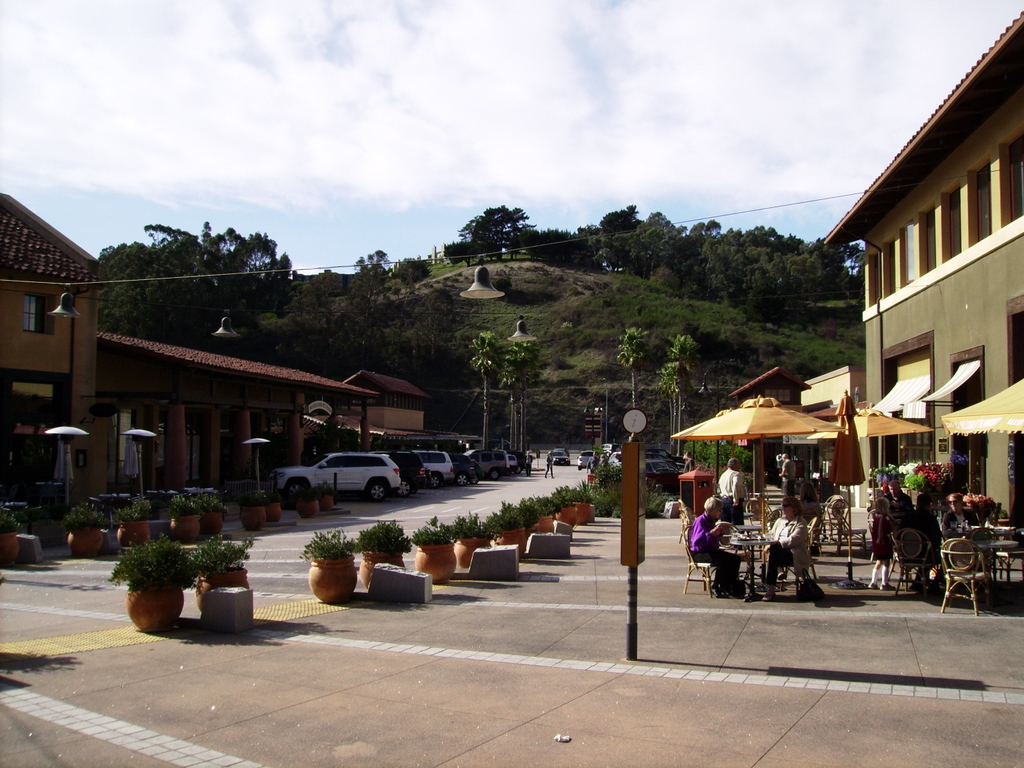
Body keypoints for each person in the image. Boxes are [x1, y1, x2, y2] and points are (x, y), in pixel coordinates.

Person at [689, 496, 744, 598]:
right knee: (722, 561)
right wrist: (711, 534)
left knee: (735, 559)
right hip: (700, 553)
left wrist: (719, 533)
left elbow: (713, 540)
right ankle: (717, 586)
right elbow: (697, 542)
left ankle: (728, 585)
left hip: (711, 550)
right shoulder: (701, 521)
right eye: (719, 510)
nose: (720, 512)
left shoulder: (711, 520)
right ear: (713, 511)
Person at [761, 496, 810, 601]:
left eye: (786, 505)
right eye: (782, 505)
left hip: (794, 553)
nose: (783, 508)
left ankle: (771, 589)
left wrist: (775, 544)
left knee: (774, 551)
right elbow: (771, 535)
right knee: (774, 552)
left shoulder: (801, 522)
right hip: (778, 553)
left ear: (794, 508)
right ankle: (778, 571)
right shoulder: (780, 521)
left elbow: (793, 539)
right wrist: (765, 540)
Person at [899, 492, 942, 564]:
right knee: (944, 556)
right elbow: (936, 540)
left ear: (917, 504)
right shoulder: (930, 519)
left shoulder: (906, 517)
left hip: (906, 555)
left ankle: (921, 571)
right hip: (925, 556)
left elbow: (899, 535)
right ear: (929, 504)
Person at [868, 497, 896, 589]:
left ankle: (873, 582)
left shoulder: (875, 516)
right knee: (886, 562)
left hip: (876, 542)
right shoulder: (885, 517)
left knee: (879, 561)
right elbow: (888, 527)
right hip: (884, 540)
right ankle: (884, 583)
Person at [717, 457, 747, 526]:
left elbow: (718, 487)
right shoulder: (736, 474)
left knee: (725, 525)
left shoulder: (723, 475)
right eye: (739, 464)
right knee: (737, 525)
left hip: (723, 500)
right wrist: (736, 499)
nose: (740, 466)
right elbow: (736, 485)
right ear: (734, 465)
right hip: (733, 501)